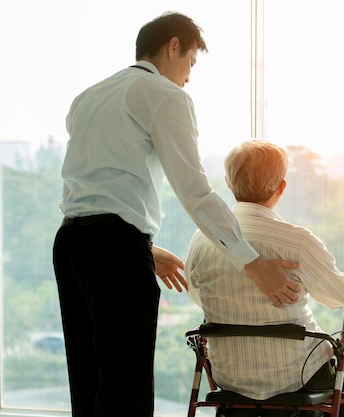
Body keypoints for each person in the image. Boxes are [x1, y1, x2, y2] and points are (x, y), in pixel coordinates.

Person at [52, 12, 299, 417]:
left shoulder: (89, 97)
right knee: (125, 386)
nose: (187, 77)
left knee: (89, 381)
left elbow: (89, 190)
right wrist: (252, 263)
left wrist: (145, 248)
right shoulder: (166, 96)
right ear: (172, 46)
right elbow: (195, 192)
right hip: (115, 249)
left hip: (70, 246)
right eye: (190, 64)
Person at [186, 140, 344, 406]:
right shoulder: (296, 242)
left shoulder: (201, 240)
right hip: (298, 375)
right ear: (281, 187)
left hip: (229, 377)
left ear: (228, 183)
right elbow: (340, 295)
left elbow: (198, 296)